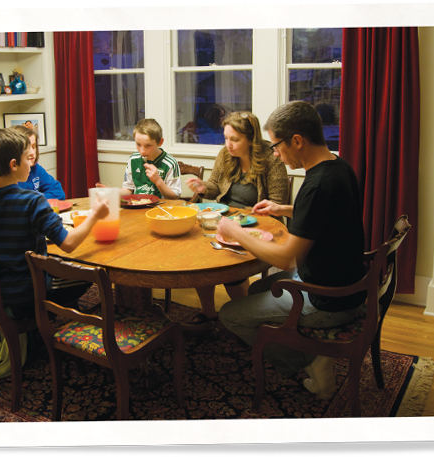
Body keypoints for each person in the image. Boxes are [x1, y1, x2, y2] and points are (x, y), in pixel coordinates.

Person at [216, 101, 367, 400]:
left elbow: (284, 256)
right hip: (347, 281)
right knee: (259, 286)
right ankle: (298, 343)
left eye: (277, 145)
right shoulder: (339, 166)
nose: (275, 153)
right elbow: (324, 213)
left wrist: (234, 232)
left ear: (297, 140)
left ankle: (308, 359)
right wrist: (282, 207)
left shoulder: (317, 184)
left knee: (230, 314)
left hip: (327, 299)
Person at [0, 128, 110, 320]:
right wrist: (95, 215)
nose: (31, 162)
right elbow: (68, 244)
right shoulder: (32, 201)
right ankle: (25, 314)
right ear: (14, 164)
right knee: (89, 277)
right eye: (28, 158)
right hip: (30, 292)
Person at [184, 111, 288, 326]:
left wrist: (251, 214)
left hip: (256, 225)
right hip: (223, 221)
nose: (228, 145)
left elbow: (277, 204)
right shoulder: (225, 155)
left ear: (251, 139)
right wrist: (203, 187)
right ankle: (208, 311)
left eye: (234, 139)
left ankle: (246, 320)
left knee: (230, 265)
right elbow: (214, 187)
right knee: (199, 258)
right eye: (226, 138)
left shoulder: (271, 158)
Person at [98, 118, 182, 199]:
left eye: (148, 145)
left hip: (160, 209)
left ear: (160, 142)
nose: (142, 151)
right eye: (138, 144)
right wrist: (112, 192)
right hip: (137, 206)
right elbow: (129, 189)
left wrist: (158, 181)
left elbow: (174, 197)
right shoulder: (133, 159)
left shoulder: (170, 163)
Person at [0, 124, 66, 200]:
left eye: (33, 147)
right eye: (26, 148)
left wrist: (35, 200)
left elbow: (58, 192)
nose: (31, 152)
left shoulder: (36, 169)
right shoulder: (1, 176)